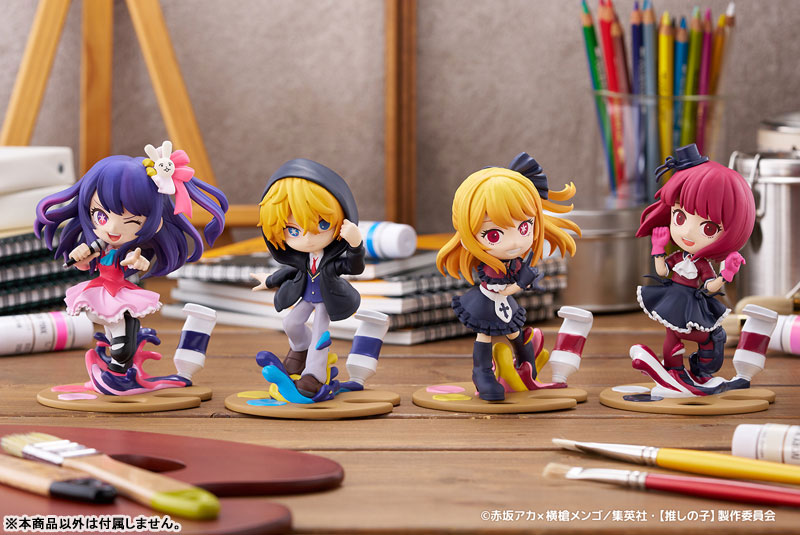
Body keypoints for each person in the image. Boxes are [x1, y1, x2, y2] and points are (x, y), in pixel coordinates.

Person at [35, 141, 228, 373]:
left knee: (121, 326)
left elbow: (140, 262)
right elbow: (84, 265)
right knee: (108, 323)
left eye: (132, 221)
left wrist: (138, 261)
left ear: (156, 222)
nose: (113, 228)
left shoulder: (129, 250)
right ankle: (116, 357)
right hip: (100, 290)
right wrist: (80, 256)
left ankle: (120, 360)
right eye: (101, 216)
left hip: (119, 291)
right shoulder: (99, 246)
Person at [436, 153, 580, 401]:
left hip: (506, 305)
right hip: (486, 303)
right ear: (468, 237)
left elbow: (520, 281)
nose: (515, 242)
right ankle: (482, 373)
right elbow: (501, 288)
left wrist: (524, 280)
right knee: (484, 335)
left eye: (524, 227)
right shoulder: (491, 268)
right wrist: (519, 284)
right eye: (494, 235)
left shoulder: (515, 262)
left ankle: (527, 365)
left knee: (516, 334)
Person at [635, 143, 755, 391]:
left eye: (708, 228)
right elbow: (662, 272)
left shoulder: (701, 264)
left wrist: (726, 274)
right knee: (673, 335)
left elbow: (709, 287)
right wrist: (658, 248)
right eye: (679, 217)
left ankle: (700, 366)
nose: (687, 232)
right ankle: (674, 369)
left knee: (705, 336)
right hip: (672, 300)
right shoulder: (678, 257)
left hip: (693, 304)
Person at [251, 158, 364, 396]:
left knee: (320, 337)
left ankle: (314, 374)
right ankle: (300, 350)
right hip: (306, 297)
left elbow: (354, 268)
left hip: (326, 301)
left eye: (322, 224)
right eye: (294, 230)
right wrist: (268, 280)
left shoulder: (331, 261)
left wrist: (355, 245)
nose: (308, 238)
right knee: (290, 323)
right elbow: (290, 272)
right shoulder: (301, 260)